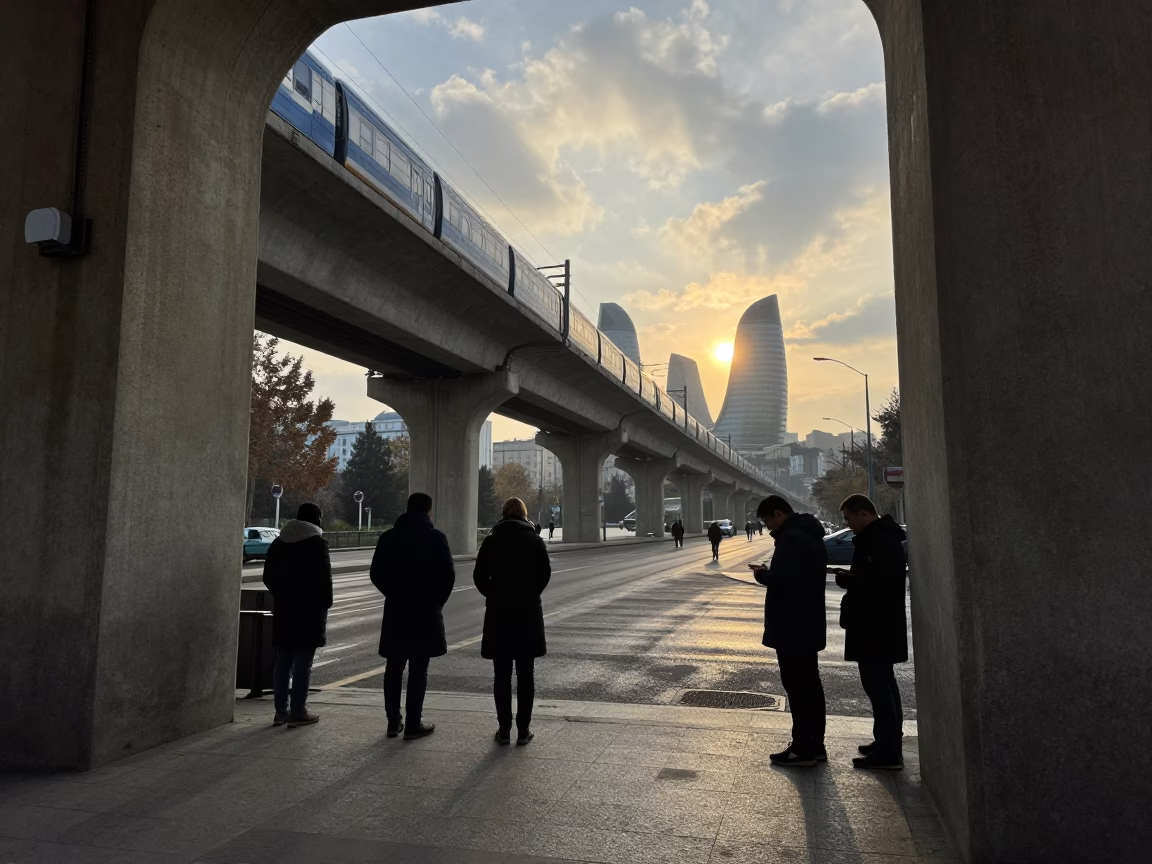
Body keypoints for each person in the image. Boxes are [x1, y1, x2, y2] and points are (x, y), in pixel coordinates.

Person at [751, 495, 829, 767]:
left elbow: (783, 581)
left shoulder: (792, 539)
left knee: (798, 687)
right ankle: (815, 744)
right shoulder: (808, 535)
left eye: (767, 520)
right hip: (807, 623)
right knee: (811, 685)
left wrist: (762, 574)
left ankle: (802, 748)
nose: (768, 526)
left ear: (778, 514)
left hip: (792, 626)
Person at [370, 492, 455, 740]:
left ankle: (393, 721)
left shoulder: (389, 537)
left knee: (393, 668)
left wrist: (393, 592)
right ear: (429, 511)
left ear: (407, 509)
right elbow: (448, 576)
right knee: (419, 669)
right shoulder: (436, 538)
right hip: (425, 612)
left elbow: (376, 573)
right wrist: (435, 601)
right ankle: (413, 723)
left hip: (397, 609)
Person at [835, 494, 908, 770]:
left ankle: (888, 751)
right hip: (877, 625)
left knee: (878, 687)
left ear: (864, 513)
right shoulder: (878, 538)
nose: (848, 524)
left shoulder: (880, 541)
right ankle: (887, 741)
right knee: (883, 685)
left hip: (876, 626)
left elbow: (880, 584)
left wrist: (850, 581)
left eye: (849, 518)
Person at [474, 497, 552, 745]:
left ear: (503, 515)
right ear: (524, 514)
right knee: (526, 674)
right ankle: (523, 729)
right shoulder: (534, 540)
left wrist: (493, 593)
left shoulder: (492, 540)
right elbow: (544, 573)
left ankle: (504, 729)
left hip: (500, 613)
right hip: (527, 612)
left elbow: (479, 575)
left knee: (502, 674)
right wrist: (530, 593)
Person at [263, 502, 333, 728]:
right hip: (309, 611)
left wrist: (282, 594)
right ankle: (298, 711)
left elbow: (268, 575)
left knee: (283, 661)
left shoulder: (278, 542)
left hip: (285, 608)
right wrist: (324, 604)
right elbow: (324, 580)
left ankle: (280, 711)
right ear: (316, 520)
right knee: (303, 663)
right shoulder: (317, 544)